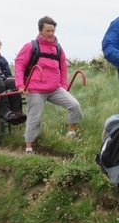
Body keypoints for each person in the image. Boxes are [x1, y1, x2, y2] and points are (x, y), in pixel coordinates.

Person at [14, 16, 82, 154]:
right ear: (40, 31)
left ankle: (71, 133)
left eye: (53, 30)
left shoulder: (58, 48)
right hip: (35, 89)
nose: (51, 33)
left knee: (74, 105)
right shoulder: (31, 46)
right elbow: (19, 65)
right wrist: (20, 85)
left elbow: (63, 67)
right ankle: (28, 147)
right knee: (35, 118)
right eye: (48, 30)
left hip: (55, 88)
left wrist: (63, 85)